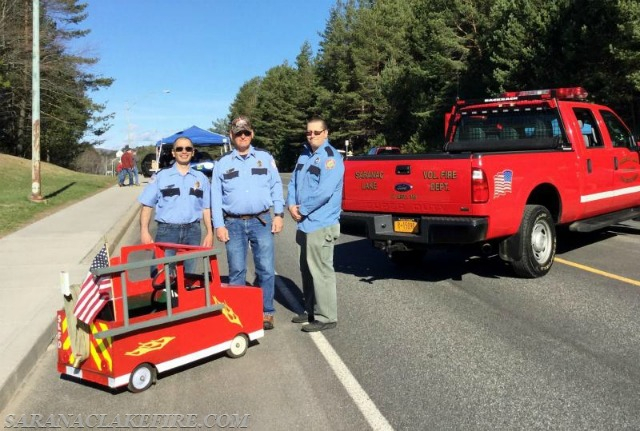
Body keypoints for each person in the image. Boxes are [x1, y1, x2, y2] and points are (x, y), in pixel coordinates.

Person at [211, 116, 284, 330]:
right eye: (238, 133)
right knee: (236, 271)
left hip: (261, 221)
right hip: (232, 223)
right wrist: (219, 225)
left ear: (252, 134)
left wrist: (278, 214)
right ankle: (239, 312)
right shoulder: (222, 163)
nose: (242, 136)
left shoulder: (264, 158)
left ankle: (266, 311)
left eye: (246, 133)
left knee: (266, 269)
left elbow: (276, 186)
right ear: (231, 136)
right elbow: (215, 196)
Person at [287, 117, 344, 332]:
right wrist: (290, 204)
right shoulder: (304, 155)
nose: (312, 136)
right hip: (304, 224)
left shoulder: (331, 158)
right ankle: (310, 309)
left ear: (326, 133)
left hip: (320, 223)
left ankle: (327, 316)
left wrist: (301, 210)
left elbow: (324, 192)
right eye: (309, 132)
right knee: (306, 269)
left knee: (321, 271)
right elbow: (293, 181)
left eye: (316, 132)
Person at [138, 137, 213, 274]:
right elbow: (147, 206)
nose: (184, 152)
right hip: (167, 231)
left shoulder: (201, 178)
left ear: (193, 152)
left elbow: (206, 208)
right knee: (161, 275)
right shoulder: (161, 176)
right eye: (179, 149)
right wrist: (144, 231)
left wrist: (209, 232)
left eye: (188, 149)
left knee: (188, 275)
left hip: (193, 231)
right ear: (173, 152)